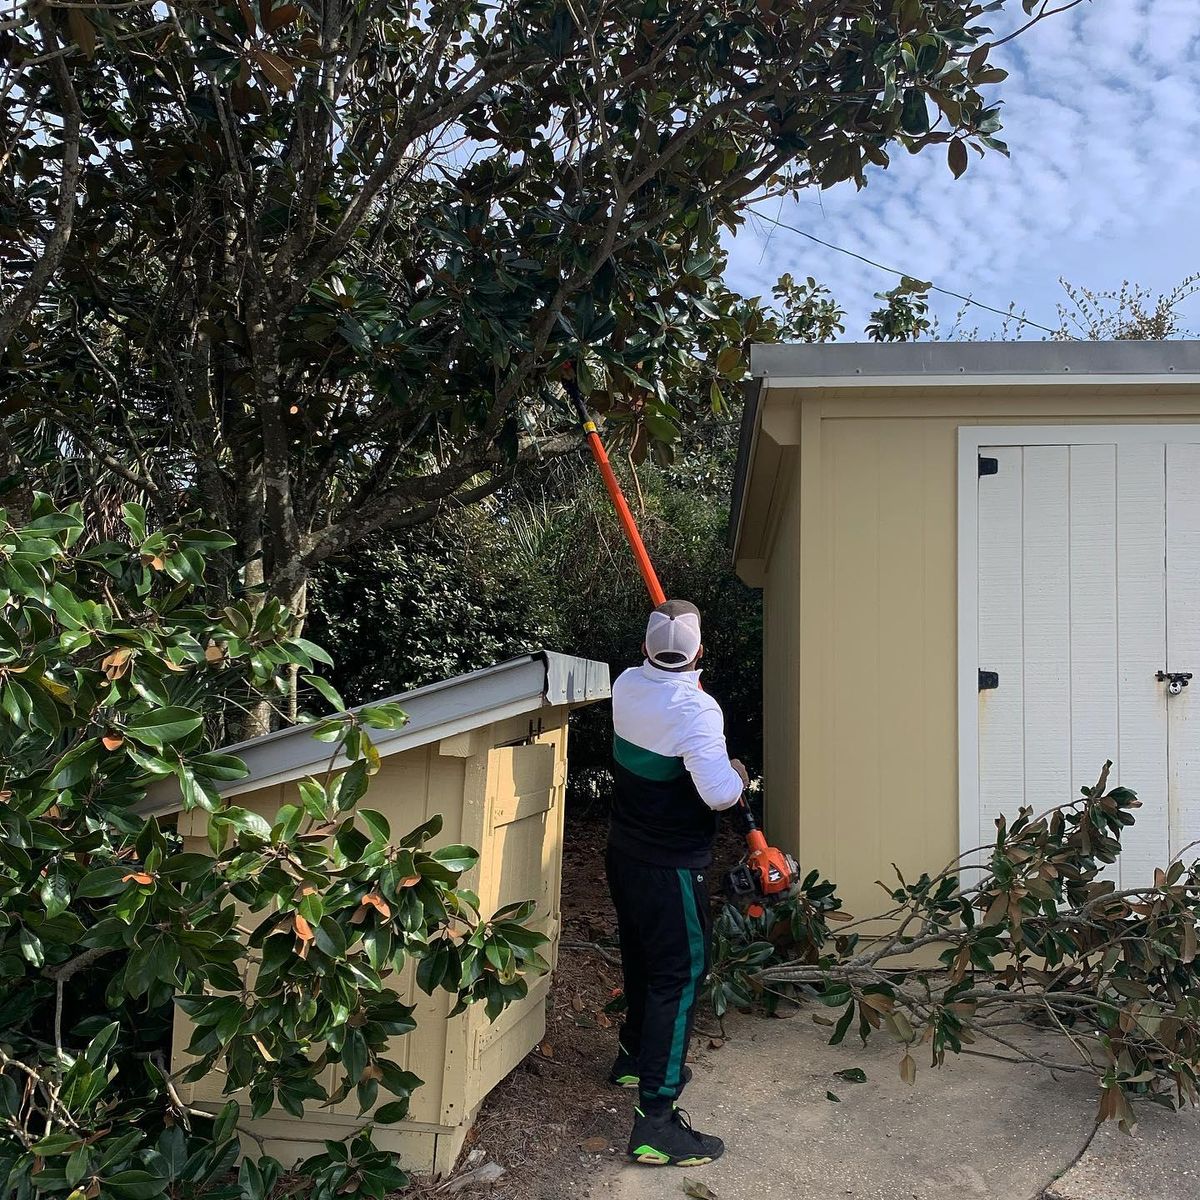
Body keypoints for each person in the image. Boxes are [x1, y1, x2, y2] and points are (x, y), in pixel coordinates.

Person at [606, 599, 749, 1167]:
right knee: (679, 978)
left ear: (644, 649)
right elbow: (718, 794)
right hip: (671, 866)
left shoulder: (625, 687)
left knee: (642, 961)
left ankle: (634, 1058)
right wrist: (735, 775)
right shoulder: (697, 708)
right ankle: (656, 1123)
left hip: (624, 855)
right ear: (700, 652)